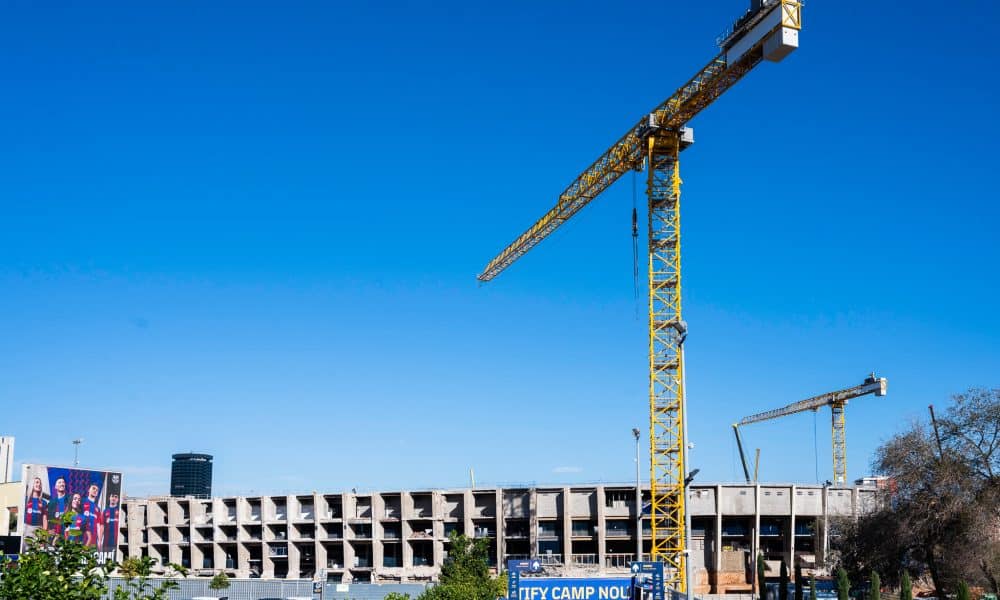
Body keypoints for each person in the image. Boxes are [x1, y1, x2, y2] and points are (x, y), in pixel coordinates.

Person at [80, 483, 104, 547]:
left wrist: (99, 540)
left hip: (93, 539)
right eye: (93, 488)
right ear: (88, 490)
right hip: (82, 536)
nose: (95, 490)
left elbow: (98, 525)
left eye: (97, 490)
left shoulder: (97, 508)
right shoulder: (82, 502)